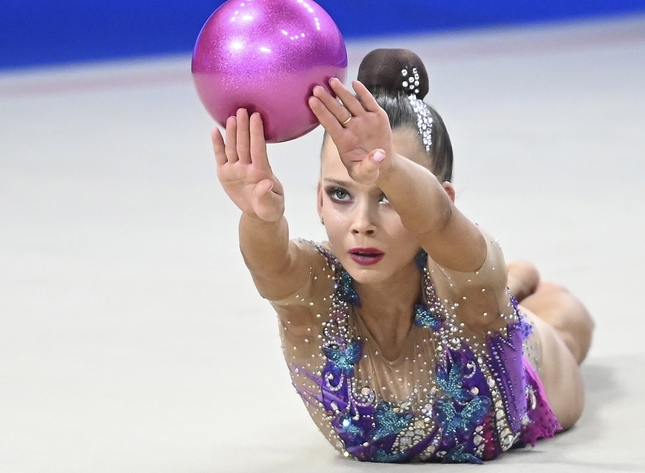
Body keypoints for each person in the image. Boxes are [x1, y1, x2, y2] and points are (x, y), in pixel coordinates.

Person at [211, 48, 594, 463]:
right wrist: (259, 217)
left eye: (389, 197)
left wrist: (387, 166)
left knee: (568, 323)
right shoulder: (314, 293)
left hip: (534, 374)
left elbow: (440, 224)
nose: (362, 223)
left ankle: (517, 285)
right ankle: (515, 282)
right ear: (319, 201)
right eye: (341, 194)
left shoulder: (462, 282)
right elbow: (272, 265)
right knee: (501, 284)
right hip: (478, 289)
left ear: (438, 196)